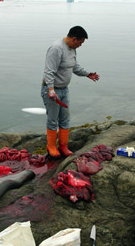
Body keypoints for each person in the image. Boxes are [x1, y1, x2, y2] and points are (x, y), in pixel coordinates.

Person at [41, 26, 100, 159]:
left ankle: (63, 146)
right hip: (51, 90)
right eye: (80, 42)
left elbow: (74, 66)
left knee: (65, 118)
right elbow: (49, 71)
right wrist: (51, 90)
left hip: (63, 90)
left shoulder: (72, 49)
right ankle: (51, 146)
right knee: (52, 120)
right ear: (74, 39)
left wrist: (87, 74)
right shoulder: (56, 48)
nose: (80, 45)